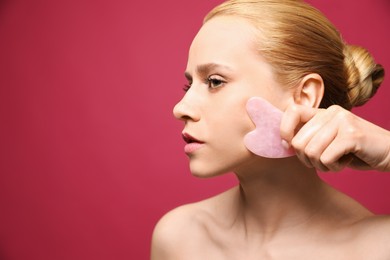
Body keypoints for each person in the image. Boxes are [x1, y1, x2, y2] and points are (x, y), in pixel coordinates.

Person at [151, 0, 390, 259]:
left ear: (304, 96)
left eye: (214, 81)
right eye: (189, 86)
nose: (180, 108)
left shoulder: (376, 247)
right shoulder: (180, 238)